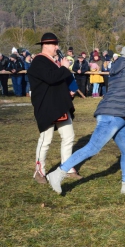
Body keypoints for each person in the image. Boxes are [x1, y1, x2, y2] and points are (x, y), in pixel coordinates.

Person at [46, 30, 125, 195]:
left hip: (118, 115)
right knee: (93, 147)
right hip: (112, 117)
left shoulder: (119, 69)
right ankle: (59, 173)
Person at [27, 32, 82, 184]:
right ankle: (39, 171)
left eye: (57, 44)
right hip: (47, 107)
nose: (57, 47)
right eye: (54, 44)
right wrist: (64, 68)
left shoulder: (53, 61)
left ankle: (67, 167)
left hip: (60, 105)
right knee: (46, 140)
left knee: (69, 136)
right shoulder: (39, 61)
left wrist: (68, 88)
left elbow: (58, 79)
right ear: (45, 45)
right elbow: (51, 78)